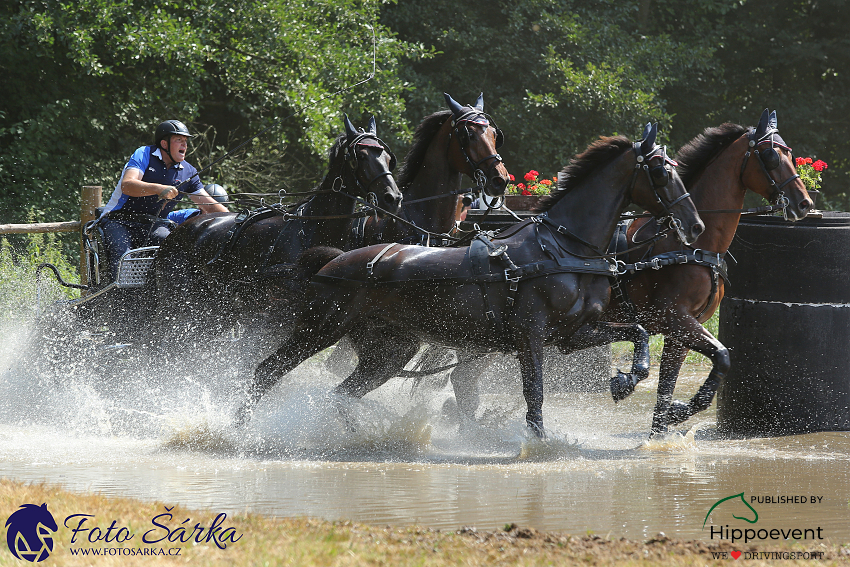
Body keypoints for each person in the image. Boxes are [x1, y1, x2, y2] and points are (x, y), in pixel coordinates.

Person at [100, 120, 228, 281]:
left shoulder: (188, 171)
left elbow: (210, 206)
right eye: (178, 140)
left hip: (154, 225)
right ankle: (115, 300)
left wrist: (238, 219)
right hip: (119, 220)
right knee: (123, 257)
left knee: (177, 251)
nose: (184, 145)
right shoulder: (144, 153)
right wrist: (159, 189)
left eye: (186, 141)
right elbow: (127, 185)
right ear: (164, 143)